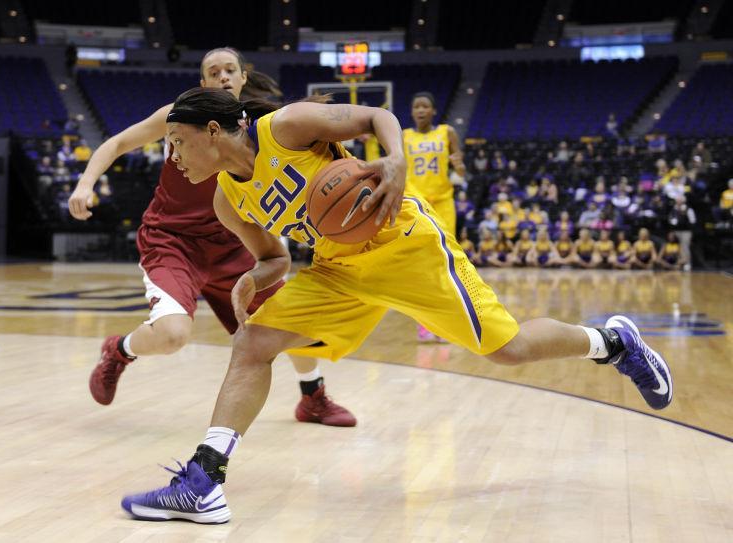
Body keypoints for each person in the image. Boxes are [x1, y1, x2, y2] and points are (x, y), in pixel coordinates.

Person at [120, 87, 673, 523]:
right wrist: (254, 276)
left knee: (509, 348)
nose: (171, 156)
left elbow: (378, 116)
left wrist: (396, 161)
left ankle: (612, 343)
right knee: (252, 343)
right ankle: (204, 482)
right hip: (337, 269)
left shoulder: (285, 126)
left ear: (212, 131)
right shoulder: (225, 200)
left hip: (401, 242)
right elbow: (274, 258)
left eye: (175, 141)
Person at [68, 47, 355, 426]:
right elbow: (119, 142)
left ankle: (312, 397)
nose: (222, 76)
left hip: (234, 245)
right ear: (203, 82)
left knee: (287, 322)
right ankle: (119, 351)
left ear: (242, 78)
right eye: (213, 72)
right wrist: (85, 184)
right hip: (173, 240)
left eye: (229, 70)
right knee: (172, 336)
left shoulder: (264, 126)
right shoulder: (180, 117)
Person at [403, 91, 466, 342]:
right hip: (415, 204)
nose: (420, 110)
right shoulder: (403, 136)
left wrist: (460, 166)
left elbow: (460, 169)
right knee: (421, 264)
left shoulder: (447, 132)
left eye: (425, 106)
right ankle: (425, 323)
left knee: (446, 261)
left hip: (442, 202)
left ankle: (446, 323)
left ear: (433, 111)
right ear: (412, 111)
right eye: (416, 106)